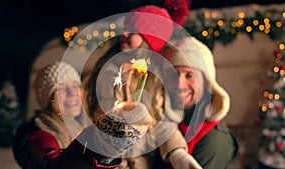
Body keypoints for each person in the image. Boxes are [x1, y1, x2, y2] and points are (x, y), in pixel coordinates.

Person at [84, 3, 202, 169]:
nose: (123, 34)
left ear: (150, 39)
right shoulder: (111, 74)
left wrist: (177, 152)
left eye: (132, 31)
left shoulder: (157, 78)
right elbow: (105, 125)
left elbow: (162, 123)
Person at [12, 61, 152, 169]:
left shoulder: (85, 123)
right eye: (61, 88)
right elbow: (53, 166)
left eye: (75, 86)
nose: (72, 93)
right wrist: (100, 142)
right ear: (48, 98)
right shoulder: (36, 135)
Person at [156, 37, 238, 169]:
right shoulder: (164, 119)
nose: (179, 84)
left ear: (206, 83)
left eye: (189, 75)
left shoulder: (214, 140)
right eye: (173, 74)